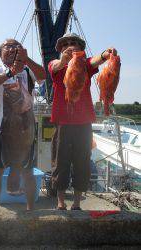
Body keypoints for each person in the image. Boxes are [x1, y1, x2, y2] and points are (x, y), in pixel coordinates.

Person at [48, 33, 117, 210]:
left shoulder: (85, 64)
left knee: (82, 162)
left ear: (81, 48)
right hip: (63, 122)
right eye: (66, 44)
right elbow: (55, 66)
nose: (70, 46)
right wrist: (63, 60)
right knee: (60, 162)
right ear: (61, 49)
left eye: (74, 44)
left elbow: (95, 61)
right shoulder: (56, 65)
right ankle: (61, 201)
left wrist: (105, 54)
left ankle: (77, 203)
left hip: (84, 122)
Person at [0, 39, 46, 210]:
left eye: (16, 46)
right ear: (0, 53)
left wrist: (26, 61)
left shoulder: (28, 70)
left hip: (25, 128)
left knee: (27, 171)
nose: (13, 48)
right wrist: (11, 73)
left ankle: (30, 210)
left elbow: (42, 76)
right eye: (8, 46)